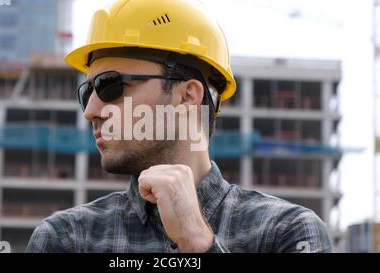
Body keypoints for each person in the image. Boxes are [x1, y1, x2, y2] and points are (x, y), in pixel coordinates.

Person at [27, 0, 332, 253]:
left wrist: (198, 242)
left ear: (188, 96)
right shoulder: (66, 239)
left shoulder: (287, 233)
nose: (91, 110)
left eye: (110, 86)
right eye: (87, 92)